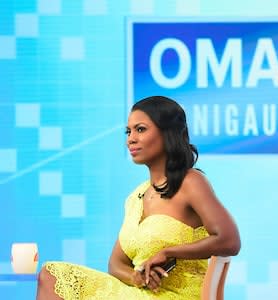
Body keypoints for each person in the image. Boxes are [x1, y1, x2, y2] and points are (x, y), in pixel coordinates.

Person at [36, 95, 241, 299]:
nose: (130, 139)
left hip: (177, 295)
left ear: (167, 133)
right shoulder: (136, 197)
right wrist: (137, 278)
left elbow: (229, 240)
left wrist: (169, 252)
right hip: (141, 292)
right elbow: (115, 264)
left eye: (140, 129)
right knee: (52, 274)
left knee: (54, 275)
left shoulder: (191, 182)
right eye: (128, 131)